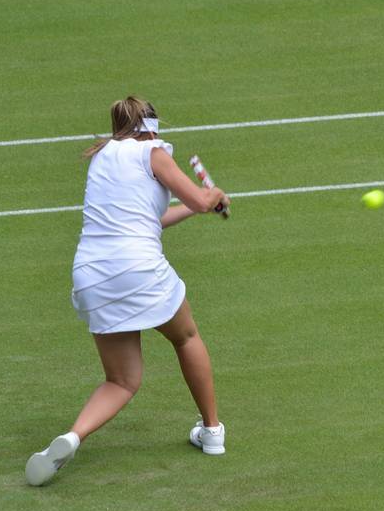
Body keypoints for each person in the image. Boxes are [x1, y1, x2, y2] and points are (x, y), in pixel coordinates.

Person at [25, 96, 231, 487]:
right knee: (186, 337)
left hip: (92, 275)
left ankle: (73, 437)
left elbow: (152, 218)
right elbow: (200, 198)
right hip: (139, 269)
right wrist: (213, 196)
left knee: (121, 381)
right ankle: (212, 431)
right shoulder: (153, 153)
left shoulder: (102, 157)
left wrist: (198, 206)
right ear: (150, 126)